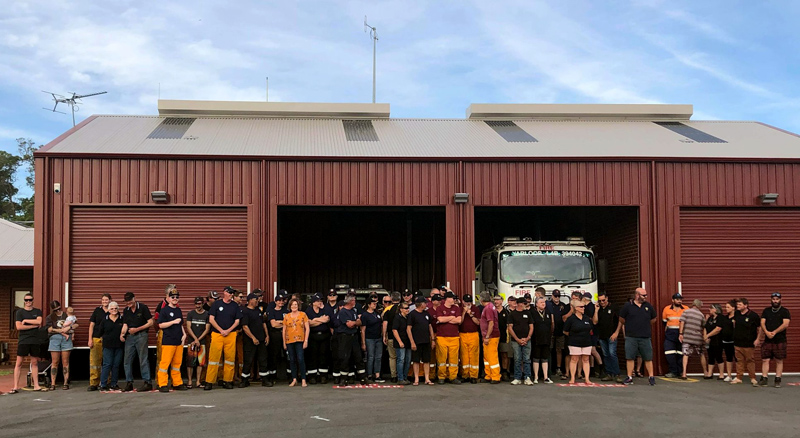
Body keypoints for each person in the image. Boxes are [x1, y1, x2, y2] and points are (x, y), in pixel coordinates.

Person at [617, 288, 657, 386]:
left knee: (648, 357)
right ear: (637, 295)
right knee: (630, 357)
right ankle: (629, 377)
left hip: (645, 336)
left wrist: (644, 325)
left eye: (646, 295)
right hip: (631, 336)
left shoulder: (648, 306)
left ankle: (651, 377)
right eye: (643, 295)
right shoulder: (628, 306)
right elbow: (622, 319)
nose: (645, 297)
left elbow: (653, 319)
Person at [204, 286, 241, 390]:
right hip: (217, 334)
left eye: (232, 293)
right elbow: (211, 319)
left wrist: (228, 330)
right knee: (213, 358)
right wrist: (221, 330)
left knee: (230, 359)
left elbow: (237, 321)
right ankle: (209, 381)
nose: (231, 295)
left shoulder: (235, 306)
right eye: (229, 293)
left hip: (231, 334)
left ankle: (228, 381)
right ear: (224, 292)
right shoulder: (217, 304)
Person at [10, 293, 44, 394]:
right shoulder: (19, 312)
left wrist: (25, 321)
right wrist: (32, 326)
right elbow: (19, 327)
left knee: (34, 362)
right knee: (19, 363)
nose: (28, 302)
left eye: (30, 300)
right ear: (24, 301)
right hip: (23, 340)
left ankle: (36, 385)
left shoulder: (37, 311)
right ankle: (15, 386)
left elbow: (39, 322)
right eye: (26, 300)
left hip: (34, 340)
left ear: (33, 300)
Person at [120, 292, 154, 392]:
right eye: (126, 301)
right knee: (127, 360)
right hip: (130, 337)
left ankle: (147, 382)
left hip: (141, 335)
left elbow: (150, 322)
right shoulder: (126, 310)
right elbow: (125, 324)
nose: (128, 303)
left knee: (143, 359)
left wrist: (137, 329)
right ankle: (129, 382)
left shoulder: (143, 307)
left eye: (130, 300)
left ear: (134, 299)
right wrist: (122, 334)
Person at [156, 289, 188, 392]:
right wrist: (173, 322)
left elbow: (180, 324)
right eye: (173, 297)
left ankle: (177, 383)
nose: (175, 299)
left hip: (178, 340)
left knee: (177, 364)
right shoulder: (164, 310)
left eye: (177, 297)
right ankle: (162, 384)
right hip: (168, 341)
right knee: (164, 364)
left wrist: (184, 334)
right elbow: (160, 325)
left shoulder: (178, 310)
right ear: (168, 298)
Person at [239, 293, 271, 388]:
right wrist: (253, 338)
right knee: (248, 360)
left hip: (261, 340)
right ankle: (244, 380)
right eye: (255, 299)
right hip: (250, 341)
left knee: (263, 360)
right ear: (250, 300)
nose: (257, 301)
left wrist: (267, 335)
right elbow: (245, 326)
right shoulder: (245, 311)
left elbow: (263, 323)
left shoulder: (258, 311)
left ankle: (265, 379)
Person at [759, 292, 790, 388]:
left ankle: (778, 379)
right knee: (765, 360)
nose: (775, 301)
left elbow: (785, 324)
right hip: (768, 340)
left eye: (777, 299)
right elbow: (762, 322)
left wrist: (775, 332)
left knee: (779, 360)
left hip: (780, 339)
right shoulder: (766, 311)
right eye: (773, 299)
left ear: (780, 300)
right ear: (771, 300)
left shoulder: (785, 311)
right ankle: (764, 378)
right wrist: (767, 332)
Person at [333, 295, 366, 384]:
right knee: (345, 357)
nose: (355, 302)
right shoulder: (343, 312)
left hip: (354, 336)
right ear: (350, 301)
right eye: (354, 300)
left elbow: (360, 322)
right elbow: (349, 325)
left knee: (358, 356)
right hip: (345, 337)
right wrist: (355, 322)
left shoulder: (353, 311)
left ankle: (363, 377)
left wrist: (355, 322)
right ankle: (343, 378)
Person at [46, 300, 77, 390]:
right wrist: (58, 330)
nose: (58, 311)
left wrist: (69, 327)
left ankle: (65, 382)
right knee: (55, 362)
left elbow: (76, 324)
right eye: (55, 310)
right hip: (55, 338)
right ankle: (53, 383)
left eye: (59, 309)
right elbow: (48, 329)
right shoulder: (50, 317)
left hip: (66, 339)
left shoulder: (67, 315)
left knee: (65, 361)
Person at [731, 297, 761, 386]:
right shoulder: (737, 313)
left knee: (749, 360)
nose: (738, 306)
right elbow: (734, 324)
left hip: (749, 343)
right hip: (737, 342)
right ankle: (739, 377)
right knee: (739, 361)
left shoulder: (753, 316)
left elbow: (759, 328)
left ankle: (752, 378)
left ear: (746, 305)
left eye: (740, 305)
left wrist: (758, 339)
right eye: (737, 305)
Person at [563, 299, 594, 385]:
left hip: (586, 342)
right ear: (576, 308)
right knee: (574, 359)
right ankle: (572, 377)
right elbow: (565, 331)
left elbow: (591, 329)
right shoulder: (571, 319)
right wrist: (573, 336)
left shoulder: (587, 318)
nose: (583, 308)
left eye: (583, 307)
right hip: (574, 342)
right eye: (581, 307)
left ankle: (587, 378)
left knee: (586, 359)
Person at [434, 290, 462, 384]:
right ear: (447, 299)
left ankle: (452, 377)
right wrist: (451, 317)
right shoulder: (439, 308)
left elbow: (458, 320)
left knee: (454, 359)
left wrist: (447, 318)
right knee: (442, 358)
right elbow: (440, 319)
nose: (454, 300)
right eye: (452, 298)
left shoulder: (457, 308)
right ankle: (441, 377)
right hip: (442, 337)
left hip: (454, 337)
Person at [407, 296, 436, 386]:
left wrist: (433, 339)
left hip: (426, 341)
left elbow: (430, 326)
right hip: (416, 341)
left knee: (426, 360)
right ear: (420, 304)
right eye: (425, 303)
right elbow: (408, 329)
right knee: (416, 361)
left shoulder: (426, 314)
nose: (426, 304)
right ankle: (416, 378)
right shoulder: (412, 314)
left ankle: (427, 378)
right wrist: (412, 342)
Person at [98, 301, 125, 391]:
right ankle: (103, 384)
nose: (114, 310)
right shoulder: (105, 320)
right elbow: (100, 332)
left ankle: (114, 383)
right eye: (112, 309)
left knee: (116, 365)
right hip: (107, 346)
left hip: (119, 346)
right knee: (107, 364)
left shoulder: (122, 319)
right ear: (109, 310)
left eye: (116, 308)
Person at [87, 293, 111, 391]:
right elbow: (91, 325)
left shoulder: (112, 311)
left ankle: (107, 382)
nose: (105, 301)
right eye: (103, 300)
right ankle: (94, 383)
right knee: (95, 362)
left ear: (110, 300)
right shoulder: (97, 311)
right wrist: (90, 339)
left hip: (108, 340)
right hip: (96, 339)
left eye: (106, 300)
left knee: (107, 362)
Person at [283, 298, 310, 387]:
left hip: (300, 340)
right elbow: (284, 330)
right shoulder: (286, 316)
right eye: (292, 305)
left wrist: (306, 340)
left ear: (298, 306)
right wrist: (284, 342)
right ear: (289, 306)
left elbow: (307, 328)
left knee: (301, 359)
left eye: (295, 304)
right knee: (292, 360)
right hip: (289, 340)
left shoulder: (303, 315)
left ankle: (303, 379)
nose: (294, 306)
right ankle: (294, 379)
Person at [306, 294, 332, 384]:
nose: (320, 302)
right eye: (318, 301)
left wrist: (314, 320)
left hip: (324, 336)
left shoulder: (325, 309)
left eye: (320, 300)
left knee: (323, 355)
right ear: (313, 302)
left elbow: (327, 319)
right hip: (313, 336)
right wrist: (320, 319)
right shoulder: (308, 311)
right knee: (312, 356)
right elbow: (308, 323)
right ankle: (312, 376)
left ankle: (323, 376)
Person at [507, 296, 533, 385]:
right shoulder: (512, 314)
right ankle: (517, 377)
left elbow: (531, 326)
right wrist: (517, 339)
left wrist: (528, 337)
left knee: (527, 359)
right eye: (524, 303)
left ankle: (527, 377)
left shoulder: (528, 313)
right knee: (517, 359)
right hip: (515, 341)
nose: (525, 305)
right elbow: (510, 327)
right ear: (519, 304)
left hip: (527, 340)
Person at [154, 284, 177, 383]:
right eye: (172, 292)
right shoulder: (162, 305)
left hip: (174, 335)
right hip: (164, 334)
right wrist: (158, 332)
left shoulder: (176, 305)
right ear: (167, 294)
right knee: (162, 359)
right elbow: (156, 321)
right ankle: (160, 381)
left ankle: (174, 381)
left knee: (174, 359)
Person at [596, 292, 622, 382]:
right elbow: (595, 322)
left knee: (612, 354)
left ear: (607, 298)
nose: (602, 302)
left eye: (603, 300)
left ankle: (617, 374)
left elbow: (620, 320)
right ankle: (609, 373)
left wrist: (616, 332)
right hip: (602, 335)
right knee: (606, 355)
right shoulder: (598, 309)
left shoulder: (614, 307)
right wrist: (596, 310)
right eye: (600, 301)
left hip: (612, 335)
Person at [186, 296, 210, 389]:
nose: (197, 305)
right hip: (191, 342)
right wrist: (195, 340)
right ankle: (189, 381)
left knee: (200, 363)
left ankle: (198, 381)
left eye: (199, 303)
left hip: (202, 342)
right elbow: (188, 327)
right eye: (196, 303)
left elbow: (207, 329)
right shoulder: (190, 314)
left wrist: (198, 340)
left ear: (203, 303)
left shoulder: (207, 314)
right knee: (190, 363)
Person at [662, 293, 689, 378]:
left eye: (680, 299)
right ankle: (673, 371)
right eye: (677, 299)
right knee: (669, 352)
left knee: (681, 353)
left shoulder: (686, 309)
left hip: (682, 333)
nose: (679, 301)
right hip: (670, 333)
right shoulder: (666, 309)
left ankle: (680, 371)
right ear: (673, 300)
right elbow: (664, 322)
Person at [679, 299, 707, 380]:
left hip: (687, 337)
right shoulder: (701, 315)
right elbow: (704, 326)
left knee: (685, 354)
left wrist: (680, 334)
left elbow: (682, 323)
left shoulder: (686, 312)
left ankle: (684, 373)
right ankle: (705, 372)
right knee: (701, 354)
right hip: (698, 338)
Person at [266, 290, 289, 384]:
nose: (281, 302)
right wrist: (282, 322)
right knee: (274, 355)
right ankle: (272, 376)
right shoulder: (271, 311)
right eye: (279, 300)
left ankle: (290, 376)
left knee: (288, 355)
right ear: (275, 301)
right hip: (275, 335)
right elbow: (273, 324)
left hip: (286, 335)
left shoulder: (286, 311)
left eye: (282, 300)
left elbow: (288, 324)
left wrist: (279, 322)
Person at [361, 297, 385, 383]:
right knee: (370, 357)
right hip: (369, 338)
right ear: (368, 305)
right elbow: (363, 330)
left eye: (375, 303)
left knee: (378, 357)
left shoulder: (377, 313)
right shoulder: (365, 315)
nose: (375, 304)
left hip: (378, 338)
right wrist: (363, 342)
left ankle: (377, 375)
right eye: (373, 303)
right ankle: (369, 374)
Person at [531, 297, 554, 384]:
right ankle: (536, 377)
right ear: (536, 304)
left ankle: (546, 377)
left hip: (546, 338)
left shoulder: (547, 312)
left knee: (545, 358)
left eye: (544, 302)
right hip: (536, 338)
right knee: (536, 358)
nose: (543, 304)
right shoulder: (532, 313)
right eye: (541, 302)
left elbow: (552, 324)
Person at [479, 292, 501, 384]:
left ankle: (495, 376)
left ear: (482, 299)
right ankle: (488, 375)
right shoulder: (490, 307)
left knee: (492, 357)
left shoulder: (488, 309)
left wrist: (487, 336)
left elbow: (491, 323)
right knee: (487, 357)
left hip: (491, 336)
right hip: (488, 336)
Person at [459, 294, 481, 383]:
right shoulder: (460, 309)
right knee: (464, 355)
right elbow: (460, 322)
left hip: (473, 334)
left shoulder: (476, 309)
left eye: (469, 302)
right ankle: (465, 375)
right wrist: (464, 312)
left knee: (474, 355)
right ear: (463, 302)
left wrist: (471, 314)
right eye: (466, 302)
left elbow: (478, 323)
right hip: (463, 334)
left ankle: (473, 375)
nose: (468, 303)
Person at [382, 292, 401, 382]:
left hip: (391, 336)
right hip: (402, 337)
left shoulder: (387, 310)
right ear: (400, 299)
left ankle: (393, 376)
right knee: (401, 357)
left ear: (391, 300)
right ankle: (402, 375)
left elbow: (385, 323)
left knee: (392, 357)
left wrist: (384, 335)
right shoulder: (403, 308)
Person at [703, 304, 726, 380]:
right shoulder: (710, 318)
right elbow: (706, 327)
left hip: (718, 340)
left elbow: (718, 329)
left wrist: (708, 335)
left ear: (716, 310)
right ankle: (710, 373)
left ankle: (721, 374)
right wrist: (705, 337)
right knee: (710, 356)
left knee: (718, 356)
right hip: (710, 341)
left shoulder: (721, 318)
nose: (709, 310)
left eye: (711, 308)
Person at [392, 302, 412, 385]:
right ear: (401, 309)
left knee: (408, 360)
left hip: (408, 342)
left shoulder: (407, 318)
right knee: (401, 360)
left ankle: (405, 377)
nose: (408, 309)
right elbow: (394, 330)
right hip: (400, 342)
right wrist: (400, 341)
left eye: (408, 308)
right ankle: (400, 378)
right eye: (406, 308)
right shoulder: (397, 318)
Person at [548, 290, 567, 378]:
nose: (557, 298)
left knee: (559, 350)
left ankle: (558, 368)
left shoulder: (563, 305)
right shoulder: (548, 304)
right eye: (555, 296)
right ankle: (549, 368)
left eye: (558, 296)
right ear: (552, 296)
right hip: (551, 331)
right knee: (550, 349)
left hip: (560, 331)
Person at [495, 295, 513, 381]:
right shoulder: (492, 311)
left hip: (504, 336)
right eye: (495, 300)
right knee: (494, 355)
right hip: (493, 336)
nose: (496, 301)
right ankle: (495, 372)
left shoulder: (507, 312)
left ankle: (505, 372)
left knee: (504, 355)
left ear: (502, 301)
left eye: (498, 300)